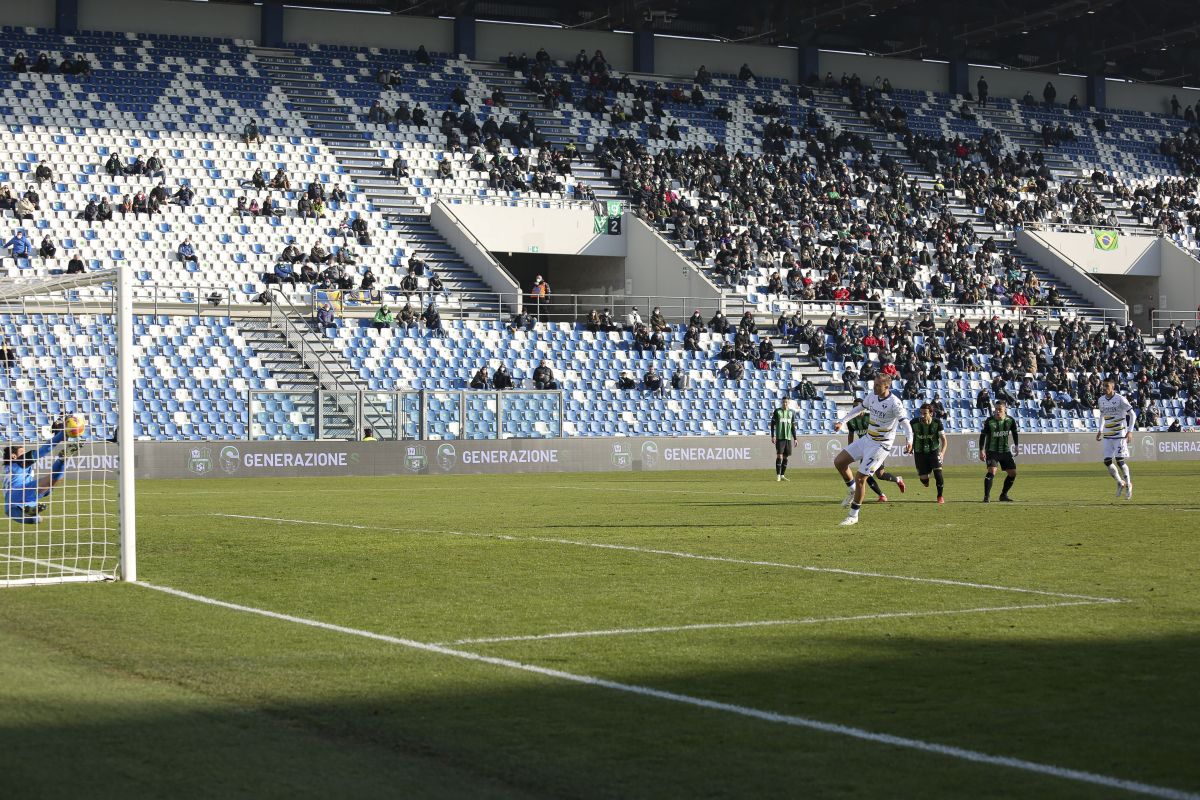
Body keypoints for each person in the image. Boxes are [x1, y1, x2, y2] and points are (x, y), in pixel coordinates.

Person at [833, 374, 912, 526]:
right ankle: (852, 490)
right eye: (874, 384)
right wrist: (842, 422)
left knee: (861, 478)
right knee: (839, 462)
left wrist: (910, 440)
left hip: (881, 445)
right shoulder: (872, 396)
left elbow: (905, 423)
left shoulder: (895, 403)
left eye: (877, 385)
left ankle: (853, 515)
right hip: (867, 439)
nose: (874, 387)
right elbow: (858, 409)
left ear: (886, 387)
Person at [4, 421, 77, 524]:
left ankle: (30, 511)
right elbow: (42, 451)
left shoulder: (11, 468)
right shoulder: (17, 463)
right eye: (22, 452)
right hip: (19, 491)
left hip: (11, 507)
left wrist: (57, 435)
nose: (25, 454)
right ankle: (62, 460)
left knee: (37, 519)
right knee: (50, 481)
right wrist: (62, 435)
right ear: (13, 456)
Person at [845, 395, 903, 502]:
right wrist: (850, 448)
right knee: (864, 474)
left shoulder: (870, 417)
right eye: (854, 406)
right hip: (863, 448)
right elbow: (850, 434)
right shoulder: (851, 421)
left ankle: (898, 480)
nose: (856, 409)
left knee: (880, 475)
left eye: (857, 406)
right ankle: (881, 495)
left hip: (876, 448)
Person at [1097, 378, 1135, 500]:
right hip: (1108, 434)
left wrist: (1130, 431)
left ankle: (1129, 484)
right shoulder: (1101, 400)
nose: (1104, 388)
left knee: (1119, 460)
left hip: (1120, 434)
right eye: (1103, 386)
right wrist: (1100, 430)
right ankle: (1120, 482)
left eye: (1107, 386)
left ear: (1112, 387)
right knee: (1107, 461)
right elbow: (1102, 415)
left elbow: (1132, 414)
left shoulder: (1120, 399)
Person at [979, 400, 1019, 502]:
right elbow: (982, 436)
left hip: (1005, 451)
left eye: (999, 409)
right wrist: (981, 450)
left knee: (1013, 473)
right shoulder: (989, 421)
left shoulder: (1010, 420)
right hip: (992, 451)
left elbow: (1014, 433)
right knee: (992, 471)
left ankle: (1003, 495)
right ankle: (986, 496)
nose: (997, 411)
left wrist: (1016, 445)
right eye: (996, 409)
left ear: (1005, 409)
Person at [910, 403, 947, 504]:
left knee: (938, 473)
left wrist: (942, 453)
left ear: (931, 413)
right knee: (924, 479)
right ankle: (926, 477)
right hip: (919, 452)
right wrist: (909, 445)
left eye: (925, 413)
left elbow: (944, 440)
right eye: (921, 413)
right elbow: (910, 436)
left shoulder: (937, 422)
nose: (922, 415)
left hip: (934, 451)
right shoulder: (913, 423)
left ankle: (940, 496)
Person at [769, 397, 798, 482]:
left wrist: (795, 438)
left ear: (789, 403)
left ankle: (782, 475)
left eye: (786, 402)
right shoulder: (777, 411)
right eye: (783, 402)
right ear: (782, 403)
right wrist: (772, 436)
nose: (785, 404)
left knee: (785, 457)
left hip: (788, 437)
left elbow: (793, 427)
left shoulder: (792, 412)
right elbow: (772, 424)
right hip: (780, 437)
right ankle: (778, 475)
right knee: (780, 455)